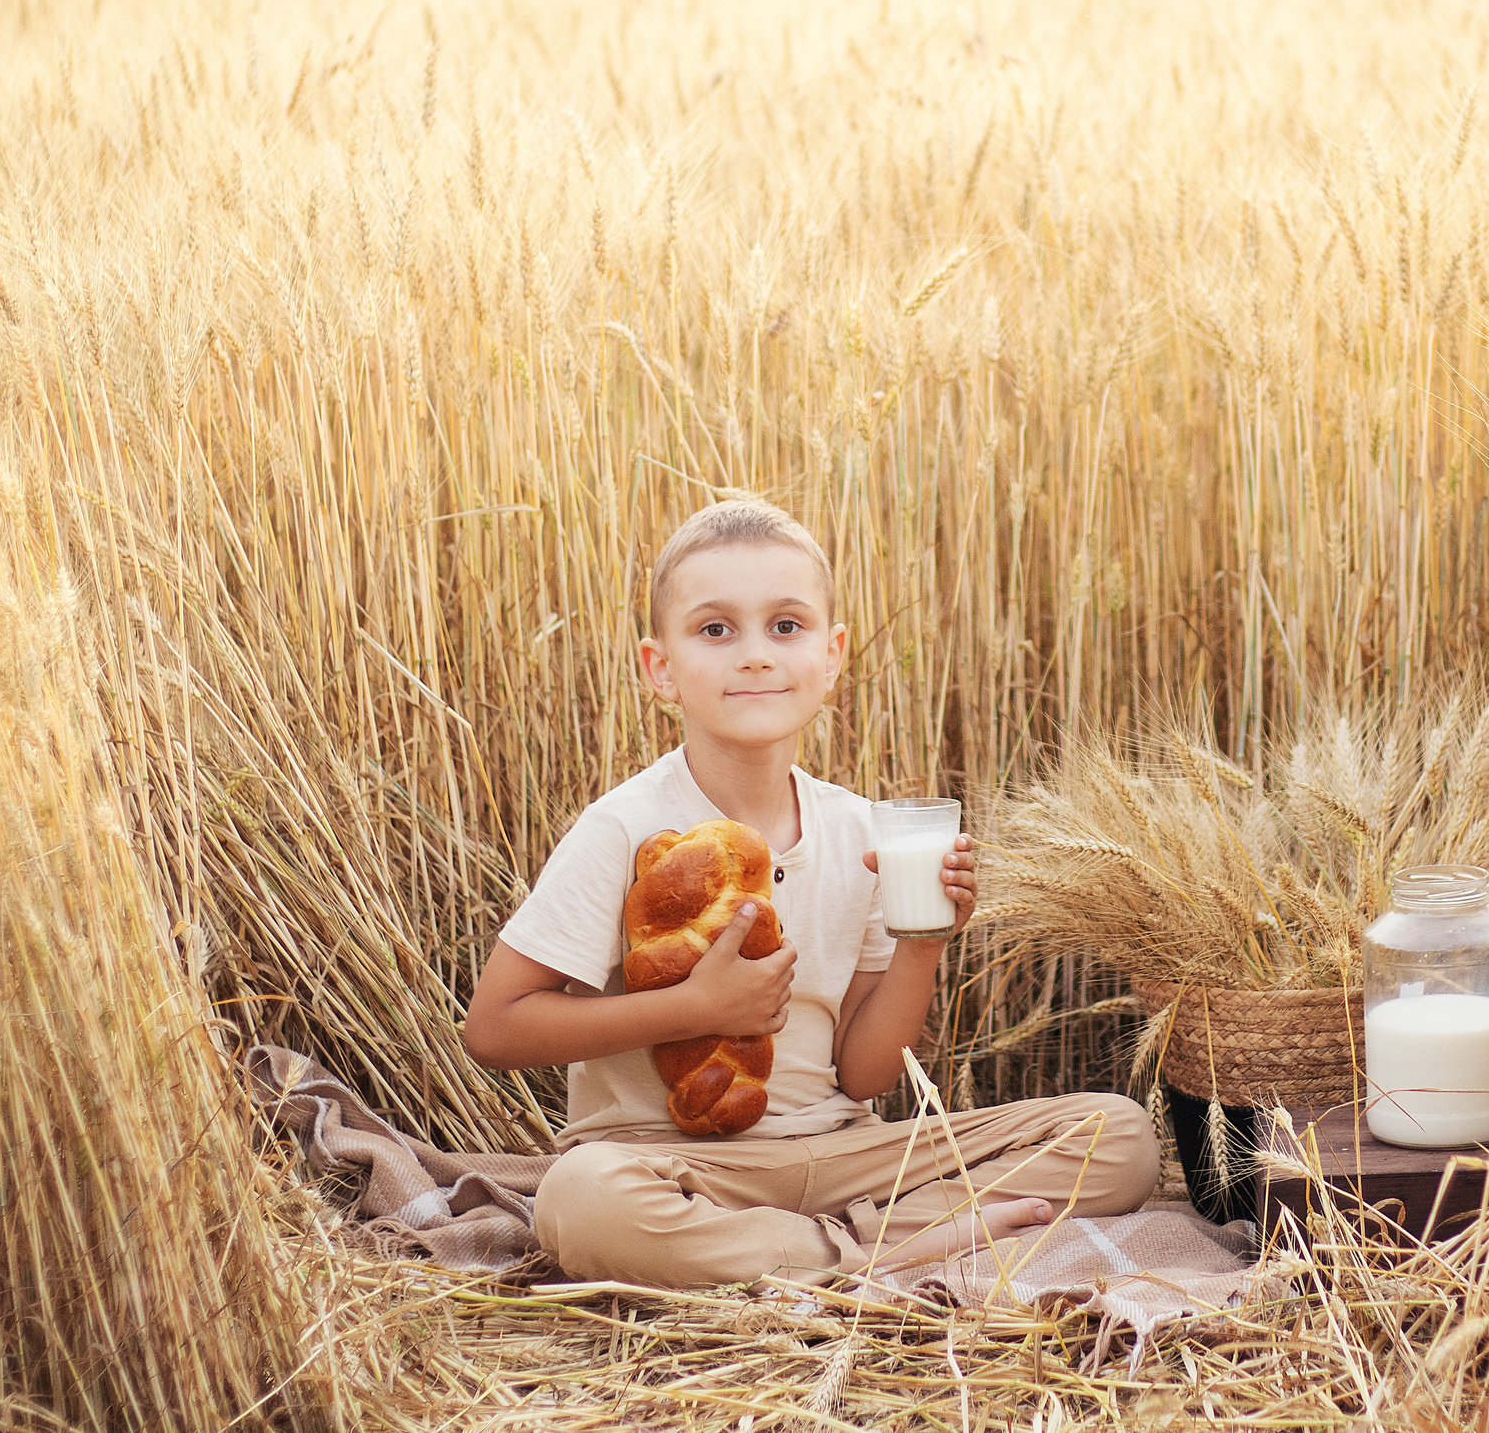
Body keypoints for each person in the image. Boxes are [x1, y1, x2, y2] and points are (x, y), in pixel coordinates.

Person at [461, 497, 1157, 1287]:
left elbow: (863, 1076)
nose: (756, 655)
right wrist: (693, 1009)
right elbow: (494, 1028)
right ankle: (886, 1249)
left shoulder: (861, 829)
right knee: (580, 1201)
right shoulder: (622, 827)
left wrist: (922, 942)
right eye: (715, 629)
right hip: (672, 1165)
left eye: (785, 626)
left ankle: (806, 1251)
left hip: (843, 1155)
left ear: (831, 657)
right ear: (661, 668)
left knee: (1120, 1136)